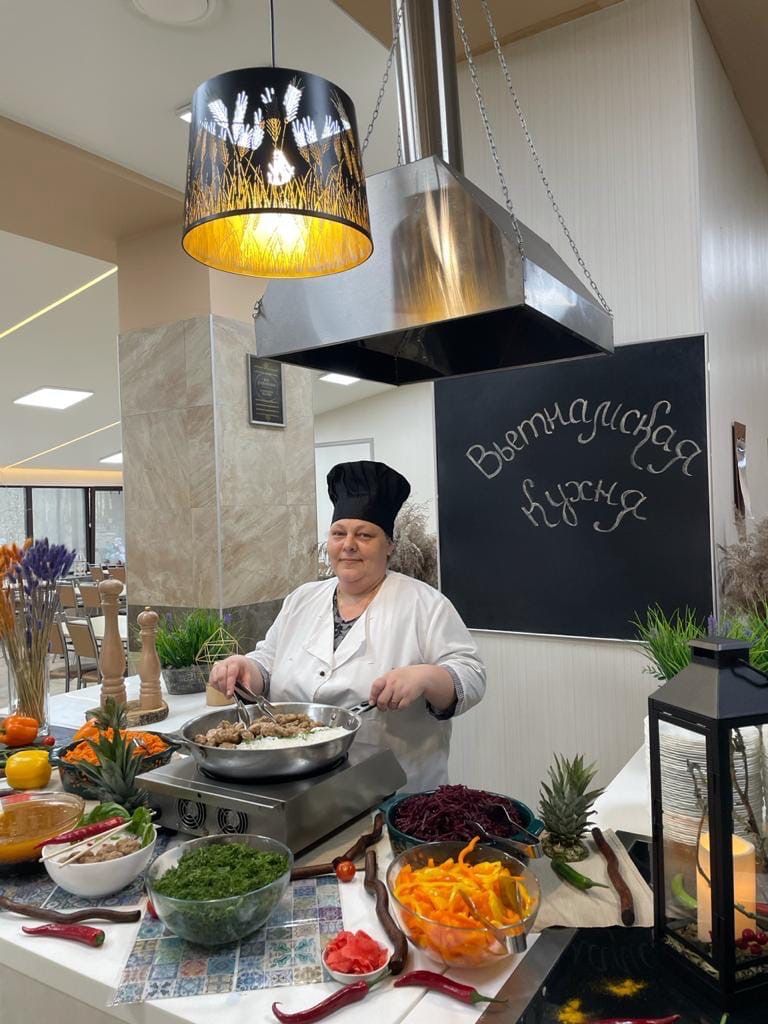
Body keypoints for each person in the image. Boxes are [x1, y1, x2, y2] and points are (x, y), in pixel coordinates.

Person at [209, 461, 486, 789]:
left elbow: (471, 674)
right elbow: (268, 662)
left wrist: (425, 677)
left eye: (364, 535)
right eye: (339, 533)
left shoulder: (425, 604)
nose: (349, 545)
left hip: (392, 787)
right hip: (297, 784)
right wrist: (247, 669)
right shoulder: (302, 599)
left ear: (389, 545)